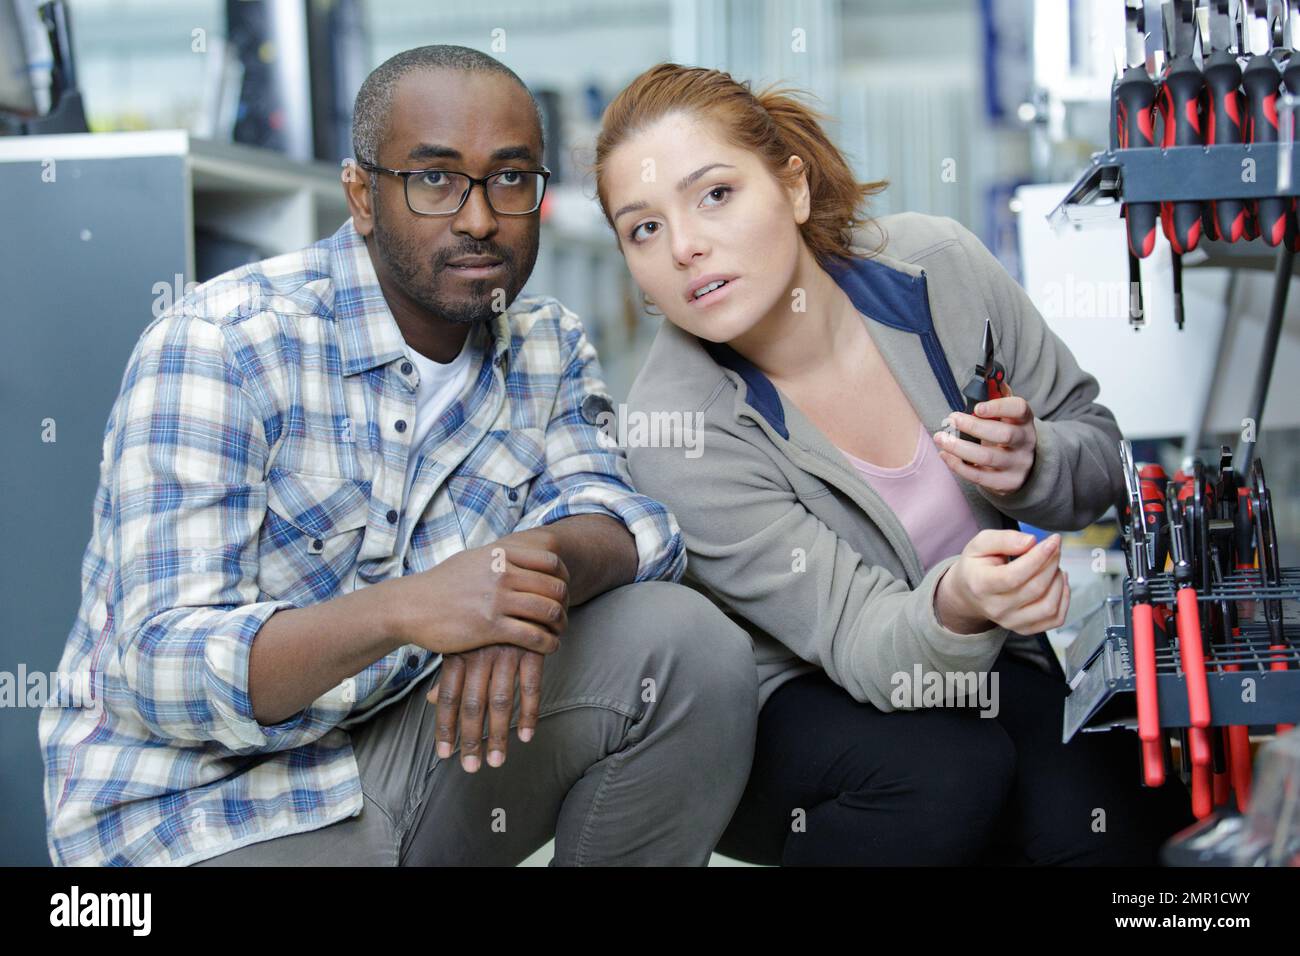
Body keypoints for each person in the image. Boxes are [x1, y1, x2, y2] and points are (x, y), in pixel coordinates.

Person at [38, 46, 758, 867]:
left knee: (685, 646)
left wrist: (514, 580)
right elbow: (163, 670)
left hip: (407, 757)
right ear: (362, 196)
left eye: (511, 180)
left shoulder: (543, 342)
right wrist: (411, 609)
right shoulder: (222, 344)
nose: (480, 218)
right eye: (436, 179)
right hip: (201, 813)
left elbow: (625, 520)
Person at [596, 62, 1195, 865]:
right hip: (789, 700)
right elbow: (859, 636)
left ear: (794, 188)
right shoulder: (679, 430)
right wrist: (960, 598)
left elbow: (1097, 453)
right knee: (945, 776)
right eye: (644, 229)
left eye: (715, 194)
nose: (686, 247)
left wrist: (1035, 462)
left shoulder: (939, 270)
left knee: (1111, 816)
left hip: (975, 663)